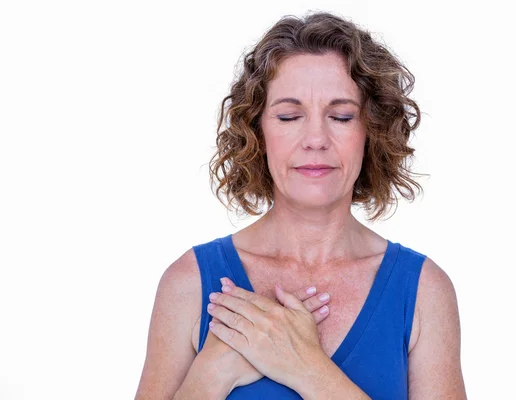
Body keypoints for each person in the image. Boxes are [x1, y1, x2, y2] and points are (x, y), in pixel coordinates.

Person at [135, 11, 467, 400]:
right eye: (290, 116)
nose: (315, 139)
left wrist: (306, 368)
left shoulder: (424, 290)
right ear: (257, 132)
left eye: (341, 116)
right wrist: (211, 374)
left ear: (371, 131)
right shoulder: (188, 283)